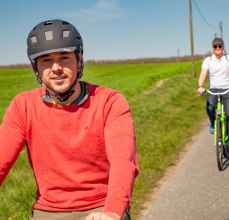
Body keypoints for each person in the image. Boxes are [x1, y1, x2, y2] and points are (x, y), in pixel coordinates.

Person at [0, 19, 139, 220]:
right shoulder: (23, 105)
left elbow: (123, 161)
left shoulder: (109, 101)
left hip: (101, 207)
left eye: (64, 58)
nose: (56, 67)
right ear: (36, 67)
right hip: (49, 210)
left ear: (79, 59)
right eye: (46, 60)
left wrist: (112, 211)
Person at [197, 38, 229, 153]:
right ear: (212, 48)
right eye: (215, 46)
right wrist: (200, 86)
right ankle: (212, 123)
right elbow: (203, 74)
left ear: (223, 47)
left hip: (228, 89)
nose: (218, 48)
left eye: (220, 46)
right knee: (210, 108)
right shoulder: (208, 60)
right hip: (213, 90)